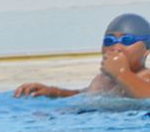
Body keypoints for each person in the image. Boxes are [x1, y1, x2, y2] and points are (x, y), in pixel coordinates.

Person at [14, 13, 150, 100]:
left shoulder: (145, 77)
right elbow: (83, 95)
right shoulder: (102, 80)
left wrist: (122, 74)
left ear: (147, 50)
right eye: (109, 41)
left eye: (127, 41)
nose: (116, 47)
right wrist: (53, 92)